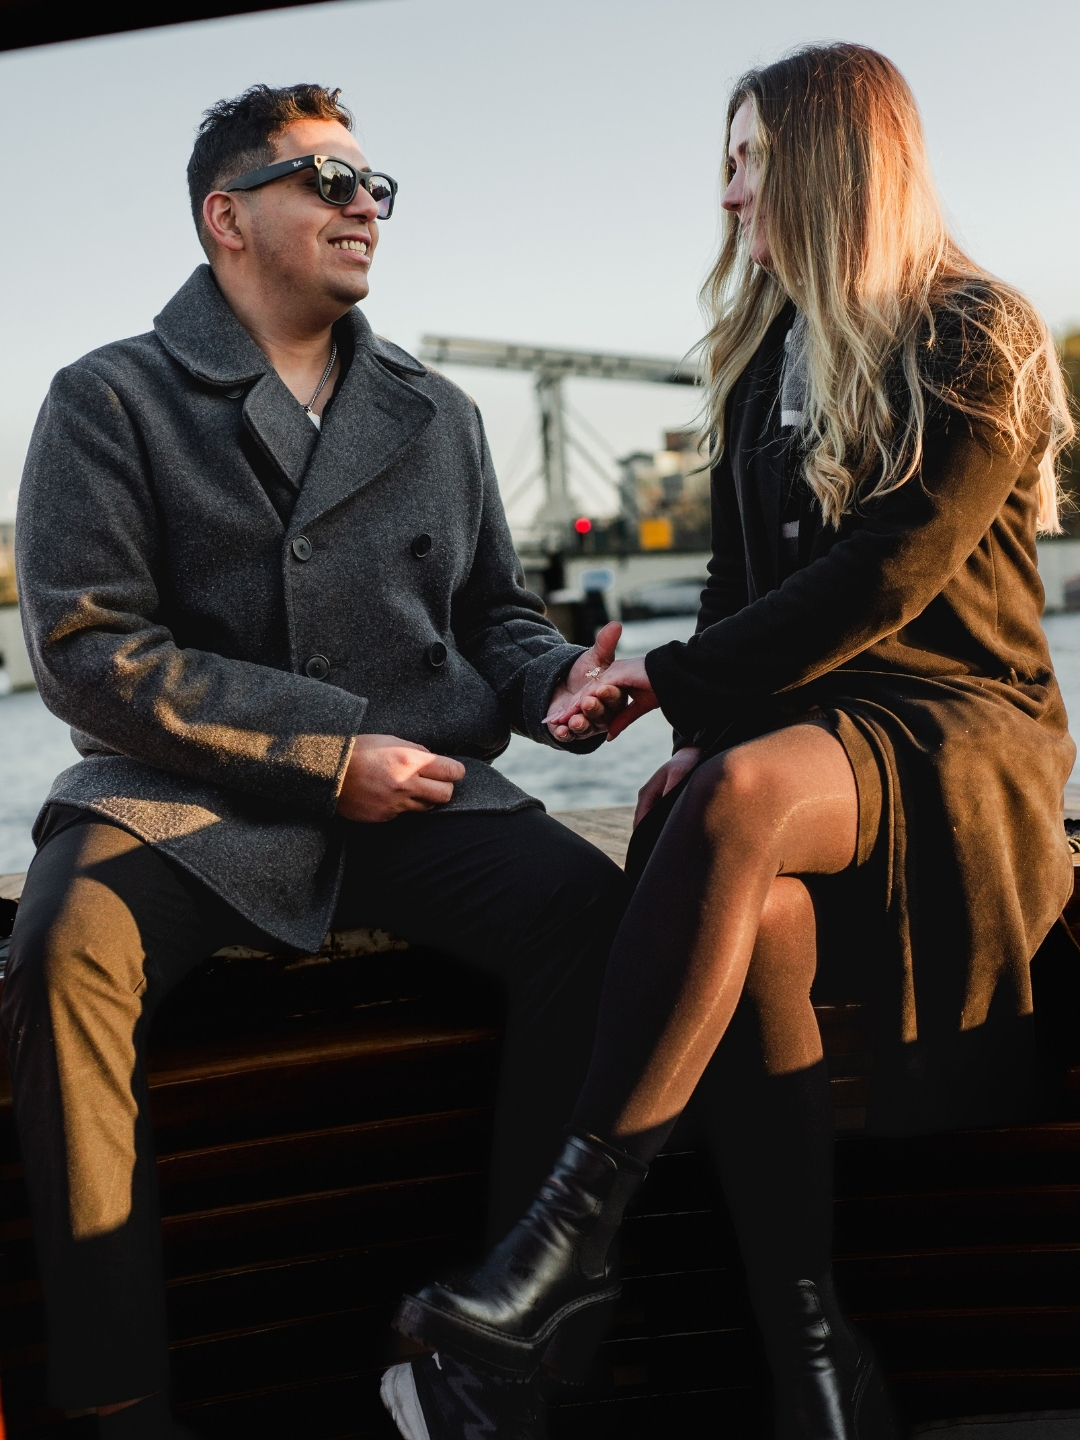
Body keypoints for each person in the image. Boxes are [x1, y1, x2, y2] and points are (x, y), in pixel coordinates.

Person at [396, 43, 1077, 1439]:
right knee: (743, 883)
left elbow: (888, 574)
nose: (727, 194)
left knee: (735, 785)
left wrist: (670, 686)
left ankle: (559, 1251)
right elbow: (736, 590)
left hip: (963, 728)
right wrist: (680, 713)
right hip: (822, 738)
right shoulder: (765, 356)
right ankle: (818, 1367)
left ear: (834, 157)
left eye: (749, 157)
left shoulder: (977, 330)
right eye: (727, 160)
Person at [2, 83, 631, 1440]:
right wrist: (323, 748)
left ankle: (494, 1355)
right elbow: (85, 648)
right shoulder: (107, 398)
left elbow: (489, 617)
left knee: (594, 915)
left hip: (411, 790)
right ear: (227, 218)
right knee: (63, 954)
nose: (364, 202)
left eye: (371, 182)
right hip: (186, 798)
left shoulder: (437, 413)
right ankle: (118, 1403)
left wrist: (553, 684)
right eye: (323, 177)